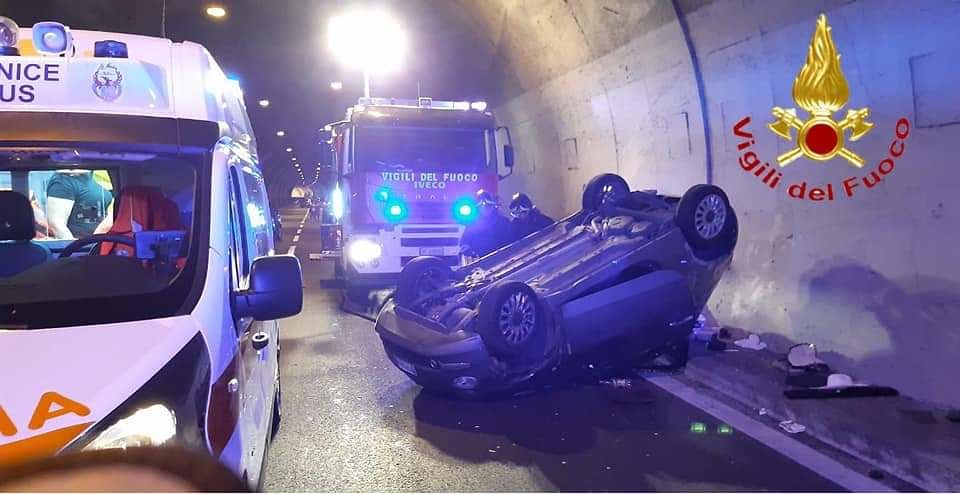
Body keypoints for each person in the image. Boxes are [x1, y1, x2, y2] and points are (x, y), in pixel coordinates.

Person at [45, 170, 113, 239]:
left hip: (102, 242)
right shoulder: (63, 181)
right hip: (80, 245)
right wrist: (73, 247)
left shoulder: (95, 176)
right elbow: (56, 223)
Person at [460, 189, 512, 261]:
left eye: (488, 206)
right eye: (481, 207)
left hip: (502, 261)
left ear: (493, 206)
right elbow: (465, 242)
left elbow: (511, 241)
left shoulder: (503, 222)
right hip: (481, 263)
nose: (485, 209)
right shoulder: (473, 225)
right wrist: (469, 250)